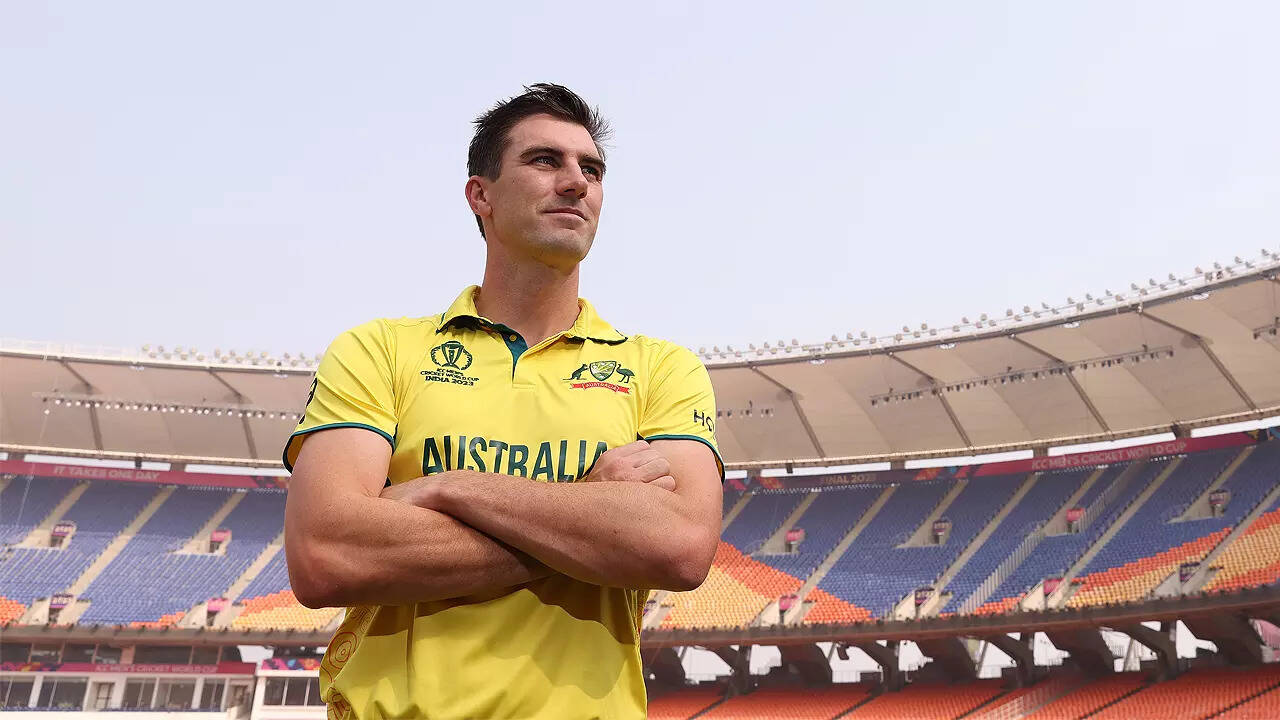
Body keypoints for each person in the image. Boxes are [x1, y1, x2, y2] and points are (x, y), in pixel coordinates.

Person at [283, 83, 724, 720]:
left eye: (592, 169)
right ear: (480, 195)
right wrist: (592, 512)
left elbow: (679, 548)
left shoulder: (662, 368)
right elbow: (327, 556)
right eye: (545, 160)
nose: (576, 182)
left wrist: (449, 488)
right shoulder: (378, 350)